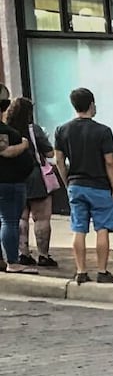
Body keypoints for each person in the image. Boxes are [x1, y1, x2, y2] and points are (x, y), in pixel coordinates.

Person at [52, 87, 113, 285]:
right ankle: (102, 270)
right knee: (102, 229)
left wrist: (67, 182)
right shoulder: (103, 131)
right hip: (99, 185)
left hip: (75, 184)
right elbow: (109, 162)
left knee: (78, 228)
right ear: (92, 104)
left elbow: (59, 160)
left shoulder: (62, 130)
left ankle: (81, 270)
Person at [5, 99, 60, 269]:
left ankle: (23, 254)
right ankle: (43, 255)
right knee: (41, 217)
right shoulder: (34, 130)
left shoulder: (7, 130)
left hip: (13, 176)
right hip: (35, 175)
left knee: (21, 217)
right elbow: (50, 152)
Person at [0, 106, 36, 275]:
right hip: (10, 182)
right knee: (10, 222)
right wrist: (23, 145)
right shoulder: (9, 133)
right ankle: (12, 262)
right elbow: (6, 152)